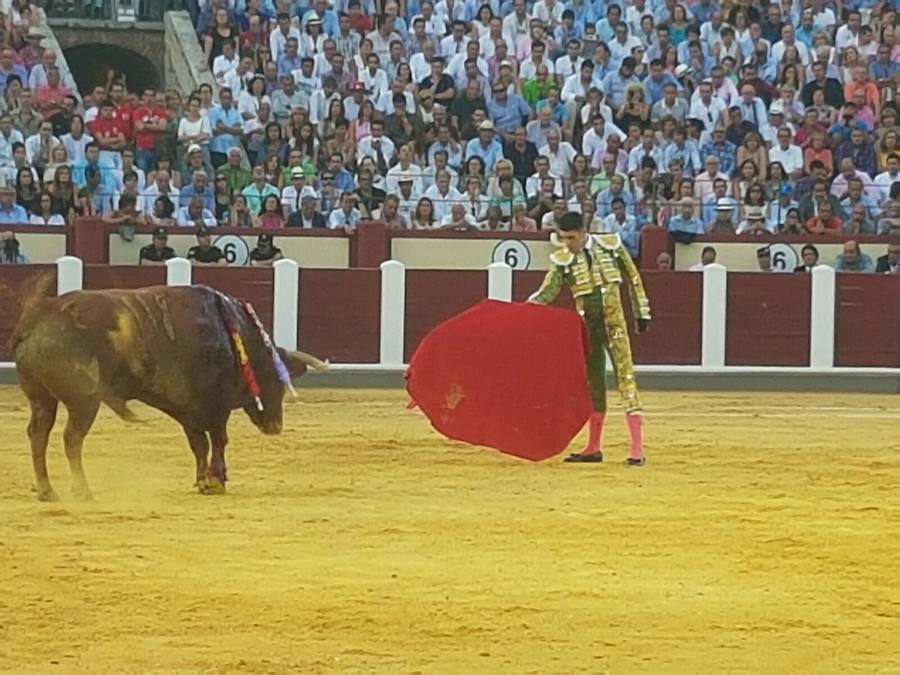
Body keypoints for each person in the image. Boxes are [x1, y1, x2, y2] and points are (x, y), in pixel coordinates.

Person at [528, 212, 651, 466]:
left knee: (625, 377)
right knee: (594, 383)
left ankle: (637, 448)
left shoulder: (611, 246)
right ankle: (593, 446)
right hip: (587, 329)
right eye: (563, 238)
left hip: (614, 325)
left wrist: (642, 311)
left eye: (571, 238)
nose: (567, 244)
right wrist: (523, 311)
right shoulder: (562, 260)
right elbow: (547, 291)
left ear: (584, 232)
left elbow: (633, 277)